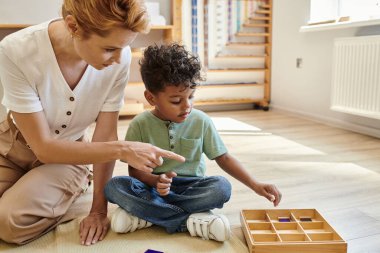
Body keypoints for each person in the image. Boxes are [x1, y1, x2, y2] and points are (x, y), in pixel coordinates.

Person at [0, 0, 185, 246]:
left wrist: (99, 210)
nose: (119, 59)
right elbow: (43, 146)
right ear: (73, 27)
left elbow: (105, 133)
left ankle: (75, 181)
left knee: (8, 222)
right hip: (10, 148)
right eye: (109, 49)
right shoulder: (16, 50)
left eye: (124, 47)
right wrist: (126, 149)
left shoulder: (119, 59)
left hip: (71, 155)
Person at [104, 43, 282, 242]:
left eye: (191, 96)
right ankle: (191, 220)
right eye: (176, 100)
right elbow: (135, 172)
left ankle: (148, 216)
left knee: (222, 187)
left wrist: (254, 184)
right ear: (151, 98)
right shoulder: (139, 125)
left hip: (192, 187)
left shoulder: (201, 120)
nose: (187, 105)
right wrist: (156, 181)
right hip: (153, 188)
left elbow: (223, 158)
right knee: (114, 186)